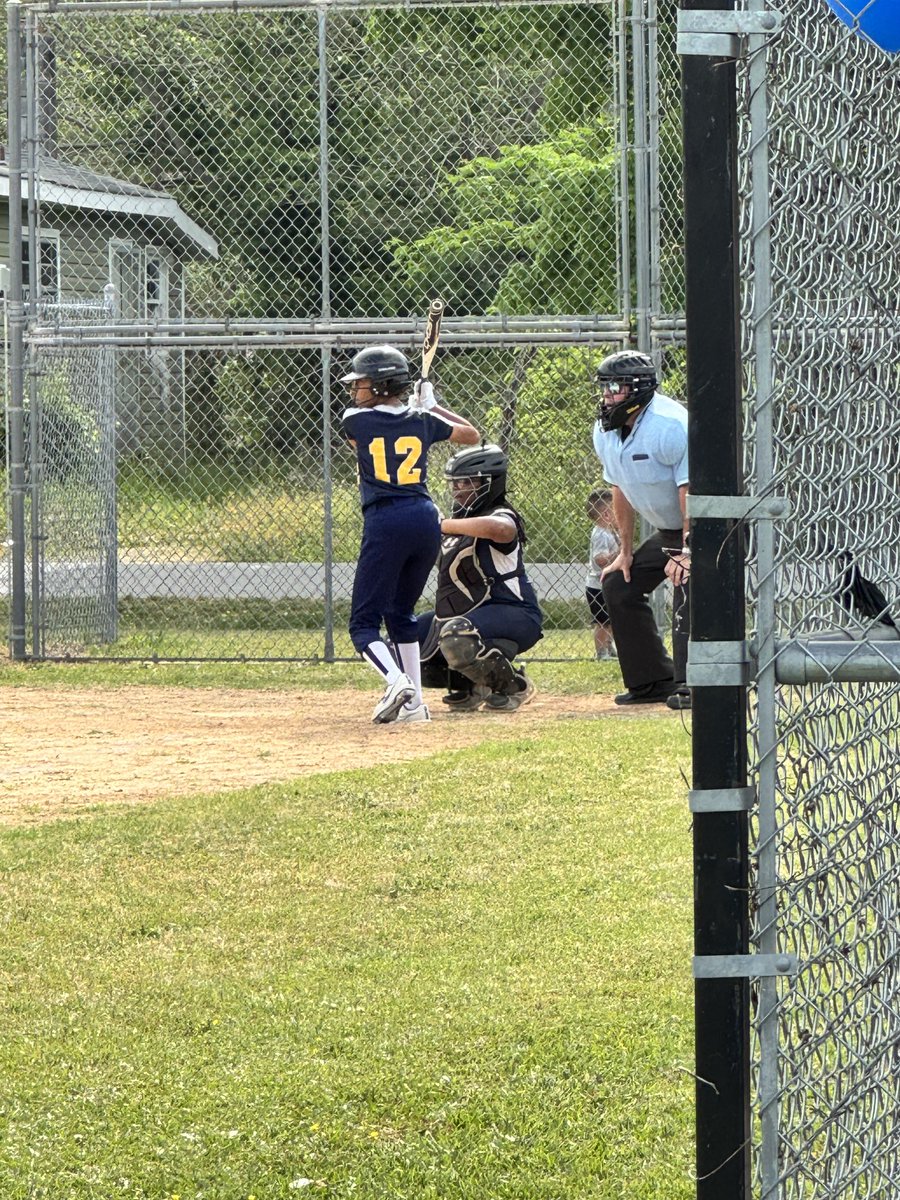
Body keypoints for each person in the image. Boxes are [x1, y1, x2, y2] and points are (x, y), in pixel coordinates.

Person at [342, 345, 479, 724]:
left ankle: (396, 681)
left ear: (384, 386)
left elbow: (371, 436)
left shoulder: (355, 420)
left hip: (387, 521)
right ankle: (415, 706)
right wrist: (432, 406)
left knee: (363, 625)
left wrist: (417, 406)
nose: (357, 390)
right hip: (425, 520)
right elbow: (471, 434)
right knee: (399, 613)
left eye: (365, 383)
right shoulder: (423, 420)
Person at [592, 349, 691, 710]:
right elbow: (619, 488)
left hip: (709, 528)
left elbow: (690, 492)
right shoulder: (606, 432)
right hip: (669, 530)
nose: (607, 396)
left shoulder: (670, 425)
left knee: (686, 581)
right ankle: (652, 680)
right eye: (604, 388)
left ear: (640, 388)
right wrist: (625, 551)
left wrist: (688, 552)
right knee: (619, 584)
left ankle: (692, 684)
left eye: (614, 387)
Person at [417, 443, 543, 712]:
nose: (459, 489)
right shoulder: (457, 520)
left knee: (457, 634)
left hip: (514, 612)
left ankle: (513, 685)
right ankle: (470, 686)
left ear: (491, 483)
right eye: (456, 483)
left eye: (468, 482)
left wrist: (440, 525)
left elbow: (499, 529)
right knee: (404, 636)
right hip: (466, 612)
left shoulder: (502, 514)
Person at [585, 488, 619, 660]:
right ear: (606, 514)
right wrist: (619, 553)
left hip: (607, 584)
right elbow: (599, 559)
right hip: (597, 586)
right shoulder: (600, 535)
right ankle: (601, 652)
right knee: (602, 622)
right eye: (616, 509)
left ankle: (609, 647)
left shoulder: (608, 533)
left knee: (611, 620)